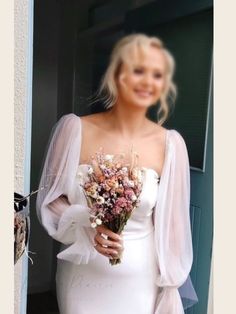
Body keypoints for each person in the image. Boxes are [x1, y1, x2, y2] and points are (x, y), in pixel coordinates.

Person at [36, 34, 198, 314]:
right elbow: (50, 202)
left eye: (157, 74)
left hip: (141, 282)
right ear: (118, 74)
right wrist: (88, 222)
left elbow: (173, 228)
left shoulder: (171, 145)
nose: (147, 81)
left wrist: (169, 284)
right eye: (138, 70)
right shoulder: (74, 129)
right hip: (82, 278)